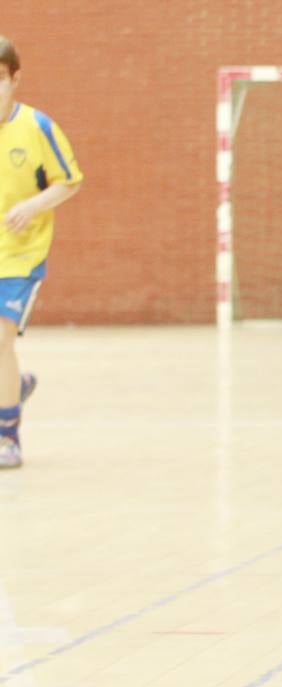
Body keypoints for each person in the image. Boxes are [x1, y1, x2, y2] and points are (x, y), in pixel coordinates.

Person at [0, 35, 84, 469]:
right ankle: (15, 387)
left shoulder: (38, 128)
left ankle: (7, 437)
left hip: (20, 257)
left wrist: (33, 205)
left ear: (15, 79)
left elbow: (69, 180)